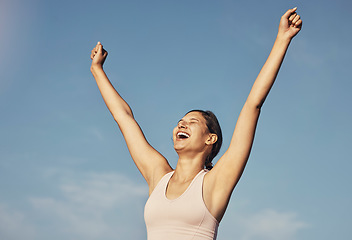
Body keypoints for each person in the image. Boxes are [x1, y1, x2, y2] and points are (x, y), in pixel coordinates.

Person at [90, 7, 302, 240]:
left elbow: (253, 104)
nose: (181, 126)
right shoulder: (158, 174)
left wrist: (282, 38)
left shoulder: (216, 182)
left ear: (210, 139)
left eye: (191, 122)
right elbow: (124, 118)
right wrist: (97, 70)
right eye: (180, 122)